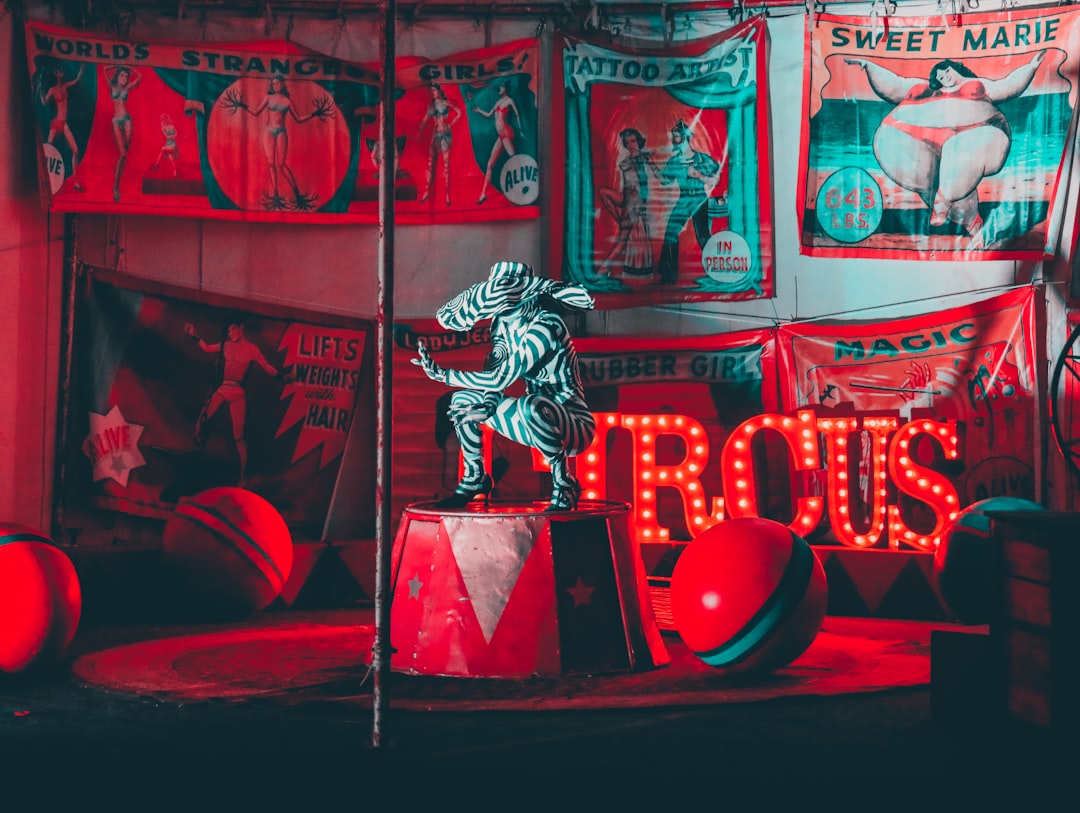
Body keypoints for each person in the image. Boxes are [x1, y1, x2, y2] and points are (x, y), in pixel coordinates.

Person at [413, 261, 596, 511]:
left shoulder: (546, 326)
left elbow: (501, 378)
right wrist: (486, 406)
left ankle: (565, 484)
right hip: (533, 421)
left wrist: (444, 375)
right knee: (462, 401)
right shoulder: (501, 324)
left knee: (531, 405)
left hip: (573, 425)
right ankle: (474, 477)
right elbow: (494, 373)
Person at [845, 52, 1046, 238]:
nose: (944, 77)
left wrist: (1030, 67)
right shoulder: (923, 88)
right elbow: (894, 85)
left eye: (946, 71)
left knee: (960, 155)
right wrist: (869, 66)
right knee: (931, 180)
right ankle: (970, 221)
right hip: (913, 138)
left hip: (976, 132)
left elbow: (1008, 85)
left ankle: (944, 202)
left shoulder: (977, 85)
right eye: (939, 76)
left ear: (955, 67)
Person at [184, 318, 288, 485]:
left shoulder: (252, 349)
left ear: (241, 327)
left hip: (238, 392)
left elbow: (266, 366)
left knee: (239, 436)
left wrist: (282, 376)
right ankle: (191, 462)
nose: (231, 333)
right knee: (200, 423)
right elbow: (207, 348)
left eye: (233, 329)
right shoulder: (226, 345)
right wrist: (194, 335)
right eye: (228, 331)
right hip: (224, 388)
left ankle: (243, 477)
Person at [220, 74, 335, 211]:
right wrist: (242, 104)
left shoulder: (287, 101)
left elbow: (298, 118)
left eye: (278, 83)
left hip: (281, 132)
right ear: (271, 85)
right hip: (268, 132)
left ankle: (297, 195)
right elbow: (256, 111)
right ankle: (276, 195)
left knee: (281, 164)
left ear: (282, 84)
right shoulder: (268, 98)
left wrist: (314, 114)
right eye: (274, 83)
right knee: (270, 163)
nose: (276, 85)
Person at [657, 119, 721, 285]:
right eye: (672, 137)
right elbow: (664, 181)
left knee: (703, 236)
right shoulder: (674, 162)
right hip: (684, 198)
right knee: (671, 231)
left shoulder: (702, 159)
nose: (673, 140)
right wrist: (652, 167)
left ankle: (717, 272)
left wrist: (699, 175)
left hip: (699, 198)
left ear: (685, 138)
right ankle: (668, 275)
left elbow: (715, 180)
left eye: (676, 136)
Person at [598, 127, 661, 276]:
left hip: (635, 203)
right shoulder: (631, 160)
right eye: (627, 142)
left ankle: (604, 267)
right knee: (603, 192)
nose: (631, 144)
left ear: (638, 141)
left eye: (633, 141)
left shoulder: (641, 158)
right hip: (627, 199)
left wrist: (649, 161)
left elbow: (651, 176)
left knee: (623, 238)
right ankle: (604, 267)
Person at [40, 63, 85, 192]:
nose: (62, 73)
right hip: (56, 123)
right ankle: (45, 181)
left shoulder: (65, 86)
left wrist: (81, 68)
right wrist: (40, 90)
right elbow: (44, 102)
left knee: (75, 150)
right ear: (56, 74)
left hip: (64, 123)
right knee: (48, 151)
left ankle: (76, 182)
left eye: (62, 71)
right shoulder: (53, 90)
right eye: (59, 71)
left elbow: (76, 80)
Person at [473, 82, 521, 204]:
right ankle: (483, 194)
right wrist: (479, 111)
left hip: (506, 133)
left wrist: (520, 131)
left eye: (501, 87)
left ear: (505, 89)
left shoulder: (509, 101)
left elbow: (517, 115)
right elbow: (489, 114)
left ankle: (519, 189)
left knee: (514, 160)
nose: (499, 89)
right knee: (490, 164)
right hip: (501, 136)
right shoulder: (497, 102)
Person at [418, 84, 462, 205]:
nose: (433, 93)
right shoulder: (432, 106)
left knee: (446, 166)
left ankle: (447, 195)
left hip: (445, 135)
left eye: (434, 90)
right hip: (435, 136)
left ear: (439, 91)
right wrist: (420, 131)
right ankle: (427, 191)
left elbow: (459, 112)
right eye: (431, 91)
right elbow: (425, 120)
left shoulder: (446, 103)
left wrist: (452, 123)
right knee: (431, 164)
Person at [104, 65, 143, 202]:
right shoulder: (112, 86)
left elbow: (139, 77)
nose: (124, 78)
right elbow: (104, 70)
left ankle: (117, 184)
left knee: (125, 154)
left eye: (126, 76)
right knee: (122, 153)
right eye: (122, 75)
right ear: (117, 75)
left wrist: (128, 67)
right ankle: (115, 187)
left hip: (127, 120)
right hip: (116, 121)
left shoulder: (127, 88)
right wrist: (117, 66)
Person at [151, 113, 179, 177]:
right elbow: (167, 136)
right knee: (171, 157)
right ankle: (175, 171)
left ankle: (156, 165)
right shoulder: (164, 128)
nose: (162, 121)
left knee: (162, 149)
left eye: (163, 119)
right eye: (161, 120)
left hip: (172, 145)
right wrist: (172, 136)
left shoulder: (172, 126)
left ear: (166, 119)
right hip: (168, 144)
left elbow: (176, 135)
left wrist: (171, 137)